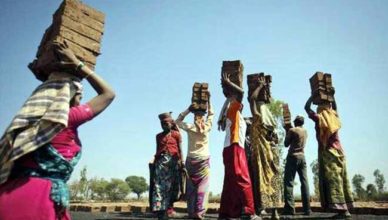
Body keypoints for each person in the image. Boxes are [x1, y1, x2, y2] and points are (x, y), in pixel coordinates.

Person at [0, 41, 115, 220]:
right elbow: (108, 94)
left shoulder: (28, 120)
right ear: (68, 96)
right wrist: (77, 63)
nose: (79, 102)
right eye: (79, 97)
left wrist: (49, 78)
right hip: (39, 200)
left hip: (8, 194)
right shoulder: (66, 119)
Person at [218, 72, 260, 220]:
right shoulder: (233, 110)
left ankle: (227, 213)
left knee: (230, 181)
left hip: (230, 148)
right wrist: (228, 83)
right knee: (243, 178)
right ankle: (250, 212)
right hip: (235, 147)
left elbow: (249, 99)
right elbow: (241, 93)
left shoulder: (238, 115)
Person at [305, 93, 353, 219]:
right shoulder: (334, 117)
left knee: (334, 181)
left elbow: (306, 108)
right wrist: (332, 96)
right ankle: (345, 210)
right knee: (342, 179)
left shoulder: (320, 118)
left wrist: (311, 97)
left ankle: (343, 212)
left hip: (329, 152)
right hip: (340, 152)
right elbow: (335, 109)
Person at [175, 93, 213, 219]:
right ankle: (199, 212)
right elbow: (211, 114)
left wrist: (188, 110)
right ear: (203, 118)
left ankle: (191, 212)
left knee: (191, 187)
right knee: (202, 187)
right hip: (203, 161)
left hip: (191, 160)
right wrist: (209, 100)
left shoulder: (190, 127)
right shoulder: (207, 127)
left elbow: (177, 122)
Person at [247, 77, 279, 215]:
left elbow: (251, 99)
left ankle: (260, 209)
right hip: (272, 153)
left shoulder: (259, 113)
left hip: (261, 153)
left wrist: (259, 87)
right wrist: (267, 87)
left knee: (260, 178)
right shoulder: (270, 116)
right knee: (273, 179)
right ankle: (275, 212)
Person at [151, 112, 184, 220]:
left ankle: (168, 209)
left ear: (171, 123)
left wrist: (182, 161)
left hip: (174, 163)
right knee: (159, 187)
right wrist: (154, 161)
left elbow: (180, 148)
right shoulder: (158, 136)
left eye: (166, 123)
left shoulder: (176, 134)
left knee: (172, 187)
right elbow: (157, 150)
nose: (164, 125)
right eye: (162, 124)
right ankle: (161, 211)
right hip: (161, 164)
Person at [282, 115, 311, 216]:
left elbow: (286, 144)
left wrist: (287, 130)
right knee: (304, 182)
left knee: (288, 182)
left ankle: (290, 209)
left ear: (295, 122)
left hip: (292, 157)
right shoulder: (305, 131)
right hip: (302, 157)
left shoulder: (292, 130)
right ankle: (307, 209)